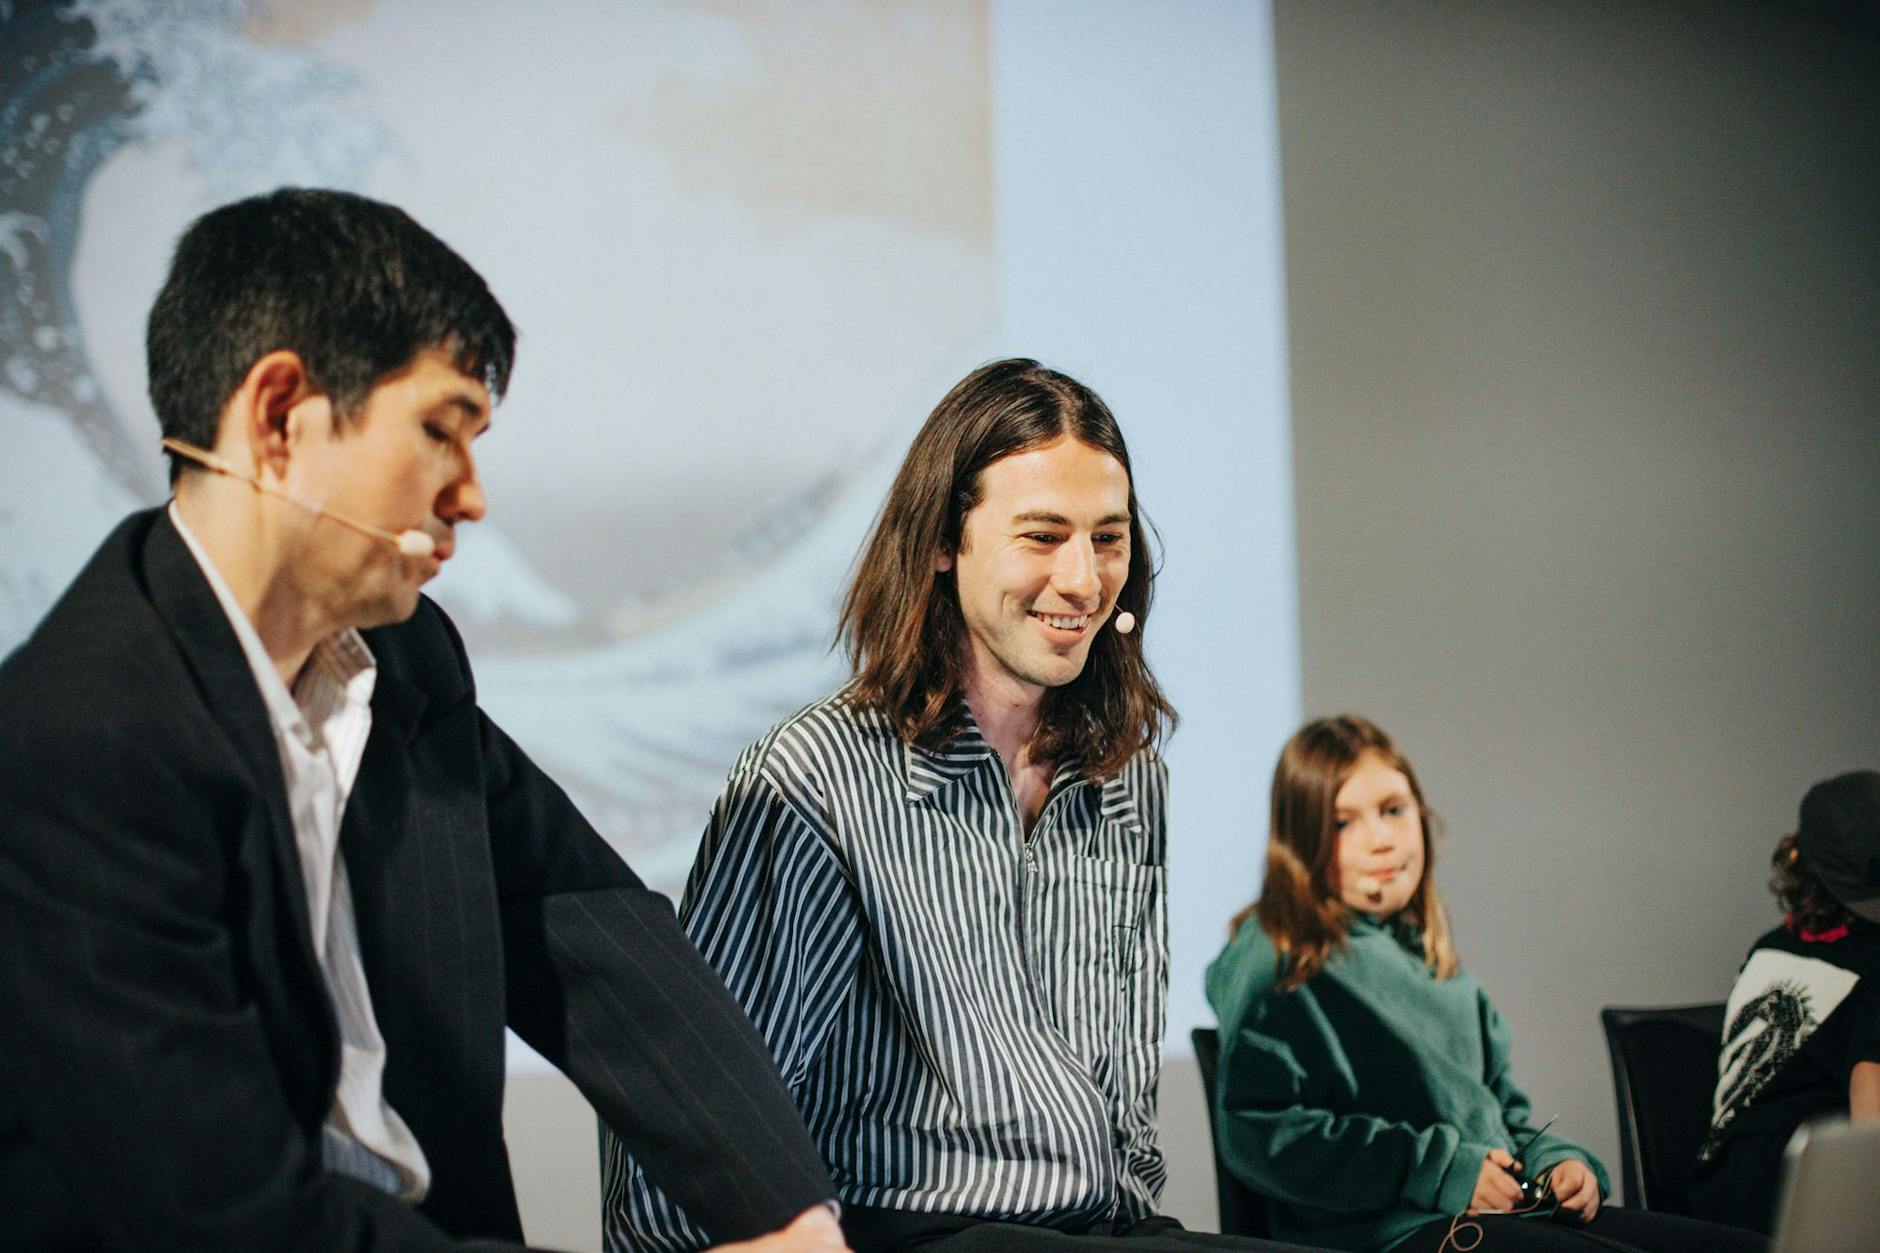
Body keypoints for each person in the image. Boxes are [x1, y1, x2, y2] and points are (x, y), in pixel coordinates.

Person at [0, 188, 846, 1252]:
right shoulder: (81, 738)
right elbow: (223, 1214)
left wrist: (786, 1214)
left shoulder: (405, 659)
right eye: (440, 430)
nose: (472, 495)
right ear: (278, 417)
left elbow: (585, 922)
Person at [605, 360, 1319, 1252]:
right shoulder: (816, 778)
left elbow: (1126, 1087)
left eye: (1107, 537)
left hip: (1099, 1228)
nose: (1083, 579)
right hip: (907, 1229)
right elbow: (699, 1110)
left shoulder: (1127, 775)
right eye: (1043, 535)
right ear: (945, 541)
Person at [1204, 715, 1768, 1253]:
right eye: (1344, 822)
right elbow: (1260, 1133)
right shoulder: (1277, 950)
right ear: (1301, 842)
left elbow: (1505, 1116)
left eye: (1393, 810)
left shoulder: (1439, 970)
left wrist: (1557, 1162)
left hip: (1504, 1214)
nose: (1380, 839)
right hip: (1387, 1235)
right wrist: (1439, 1170)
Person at [1687, 769, 1880, 1234]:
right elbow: (1872, 1139)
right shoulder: (1874, 961)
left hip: (1714, 1208)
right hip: (1803, 1218)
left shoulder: (1767, 947)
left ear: (1795, 856)